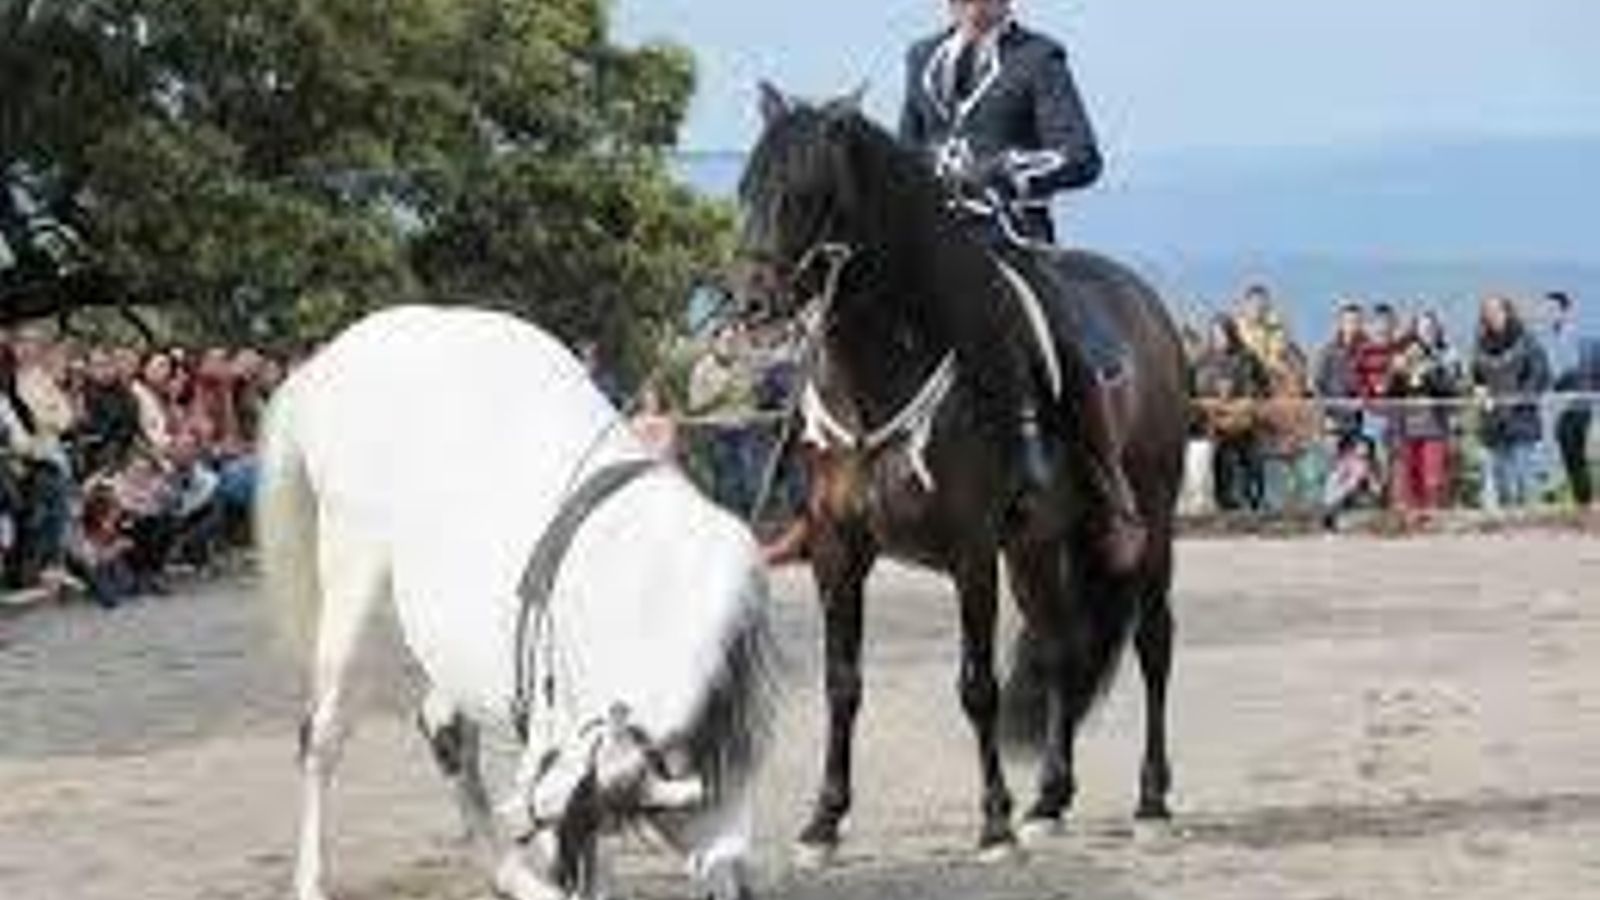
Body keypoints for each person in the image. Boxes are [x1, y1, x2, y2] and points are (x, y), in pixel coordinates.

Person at [900, 0, 1146, 568]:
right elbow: (905, 150)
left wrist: (1009, 168)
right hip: (930, 243)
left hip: (1008, 236)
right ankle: (828, 490)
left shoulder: (1037, 58)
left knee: (1073, 338)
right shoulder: (921, 57)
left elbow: (1083, 156)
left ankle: (1110, 491)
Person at [1471, 295, 1551, 509]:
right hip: (1492, 423)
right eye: (1487, 312)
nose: (1492, 316)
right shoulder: (1480, 344)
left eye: (1496, 311)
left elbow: (1541, 375)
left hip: (1521, 421)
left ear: (1507, 312)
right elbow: (1477, 377)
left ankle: (1533, 528)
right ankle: (1509, 533)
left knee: (1525, 479)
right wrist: (1480, 392)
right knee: (1501, 481)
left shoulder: (1527, 340)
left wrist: (1518, 399)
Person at [1387, 310, 1462, 513]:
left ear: (1437, 330)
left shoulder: (1445, 356)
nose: (1426, 333)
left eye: (1430, 328)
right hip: (1406, 427)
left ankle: (1433, 514)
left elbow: (1452, 390)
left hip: (1435, 426)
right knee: (1410, 476)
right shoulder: (1402, 356)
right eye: (1421, 328)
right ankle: (1412, 518)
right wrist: (1397, 374)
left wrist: (1430, 373)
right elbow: (1391, 394)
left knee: (1433, 476)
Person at [1542, 291, 1593, 508]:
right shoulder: (1551, 336)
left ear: (1565, 311)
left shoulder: (1574, 335)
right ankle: (1575, 500)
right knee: (1565, 454)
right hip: (1560, 406)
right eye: (1545, 310)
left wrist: (1549, 384)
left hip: (1576, 405)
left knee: (1575, 456)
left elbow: (1571, 371)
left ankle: (1583, 502)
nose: (1547, 314)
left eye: (1552, 309)